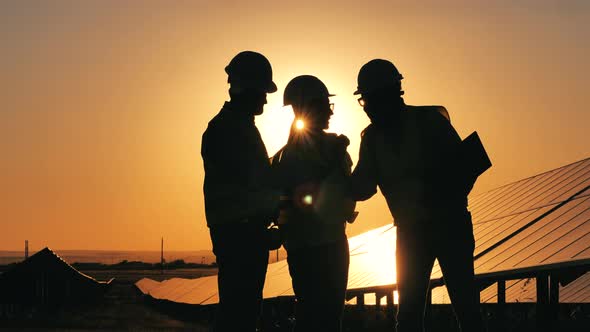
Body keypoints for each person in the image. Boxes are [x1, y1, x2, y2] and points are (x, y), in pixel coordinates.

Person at [349, 59, 484, 332]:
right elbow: (362, 188)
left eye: (370, 100)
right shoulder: (374, 138)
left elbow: (464, 169)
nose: (368, 108)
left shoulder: (428, 122)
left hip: (448, 225)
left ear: (388, 94)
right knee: (412, 314)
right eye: (365, 101)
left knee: (463, 307)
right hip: (417, 231)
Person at [201, 51, 281, 332]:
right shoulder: (229, 130)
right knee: (240, 315)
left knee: (241, 313)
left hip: (240, 234)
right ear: (246, 88)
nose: (266, 98)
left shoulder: (236, 127)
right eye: (262, 91)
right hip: (241, 237)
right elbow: (249, 185)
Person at [271, 75, 355, 332]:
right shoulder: (330, 150)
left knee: (320, 317)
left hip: (314, 247)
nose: (328, 112)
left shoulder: (285, 156)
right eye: (322, 105)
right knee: (319, 318)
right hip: (316, 248)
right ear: (306, 108)